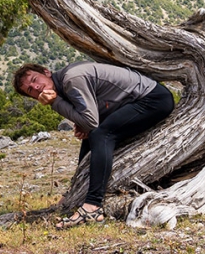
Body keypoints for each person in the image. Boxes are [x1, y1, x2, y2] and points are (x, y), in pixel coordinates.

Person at [13, 61, 174, 229]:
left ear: (46, 72)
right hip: (135, 101)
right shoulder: (63, 83)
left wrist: (56, 103)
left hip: (153, 99)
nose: (36, 87)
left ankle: (93, 206)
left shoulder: (71, 79)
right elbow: (91, 111)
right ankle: (72, 193)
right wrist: (80, 122)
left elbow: (91, 122)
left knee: (101, 135)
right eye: (30, 90)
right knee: (91, 137)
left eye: (34, 79)